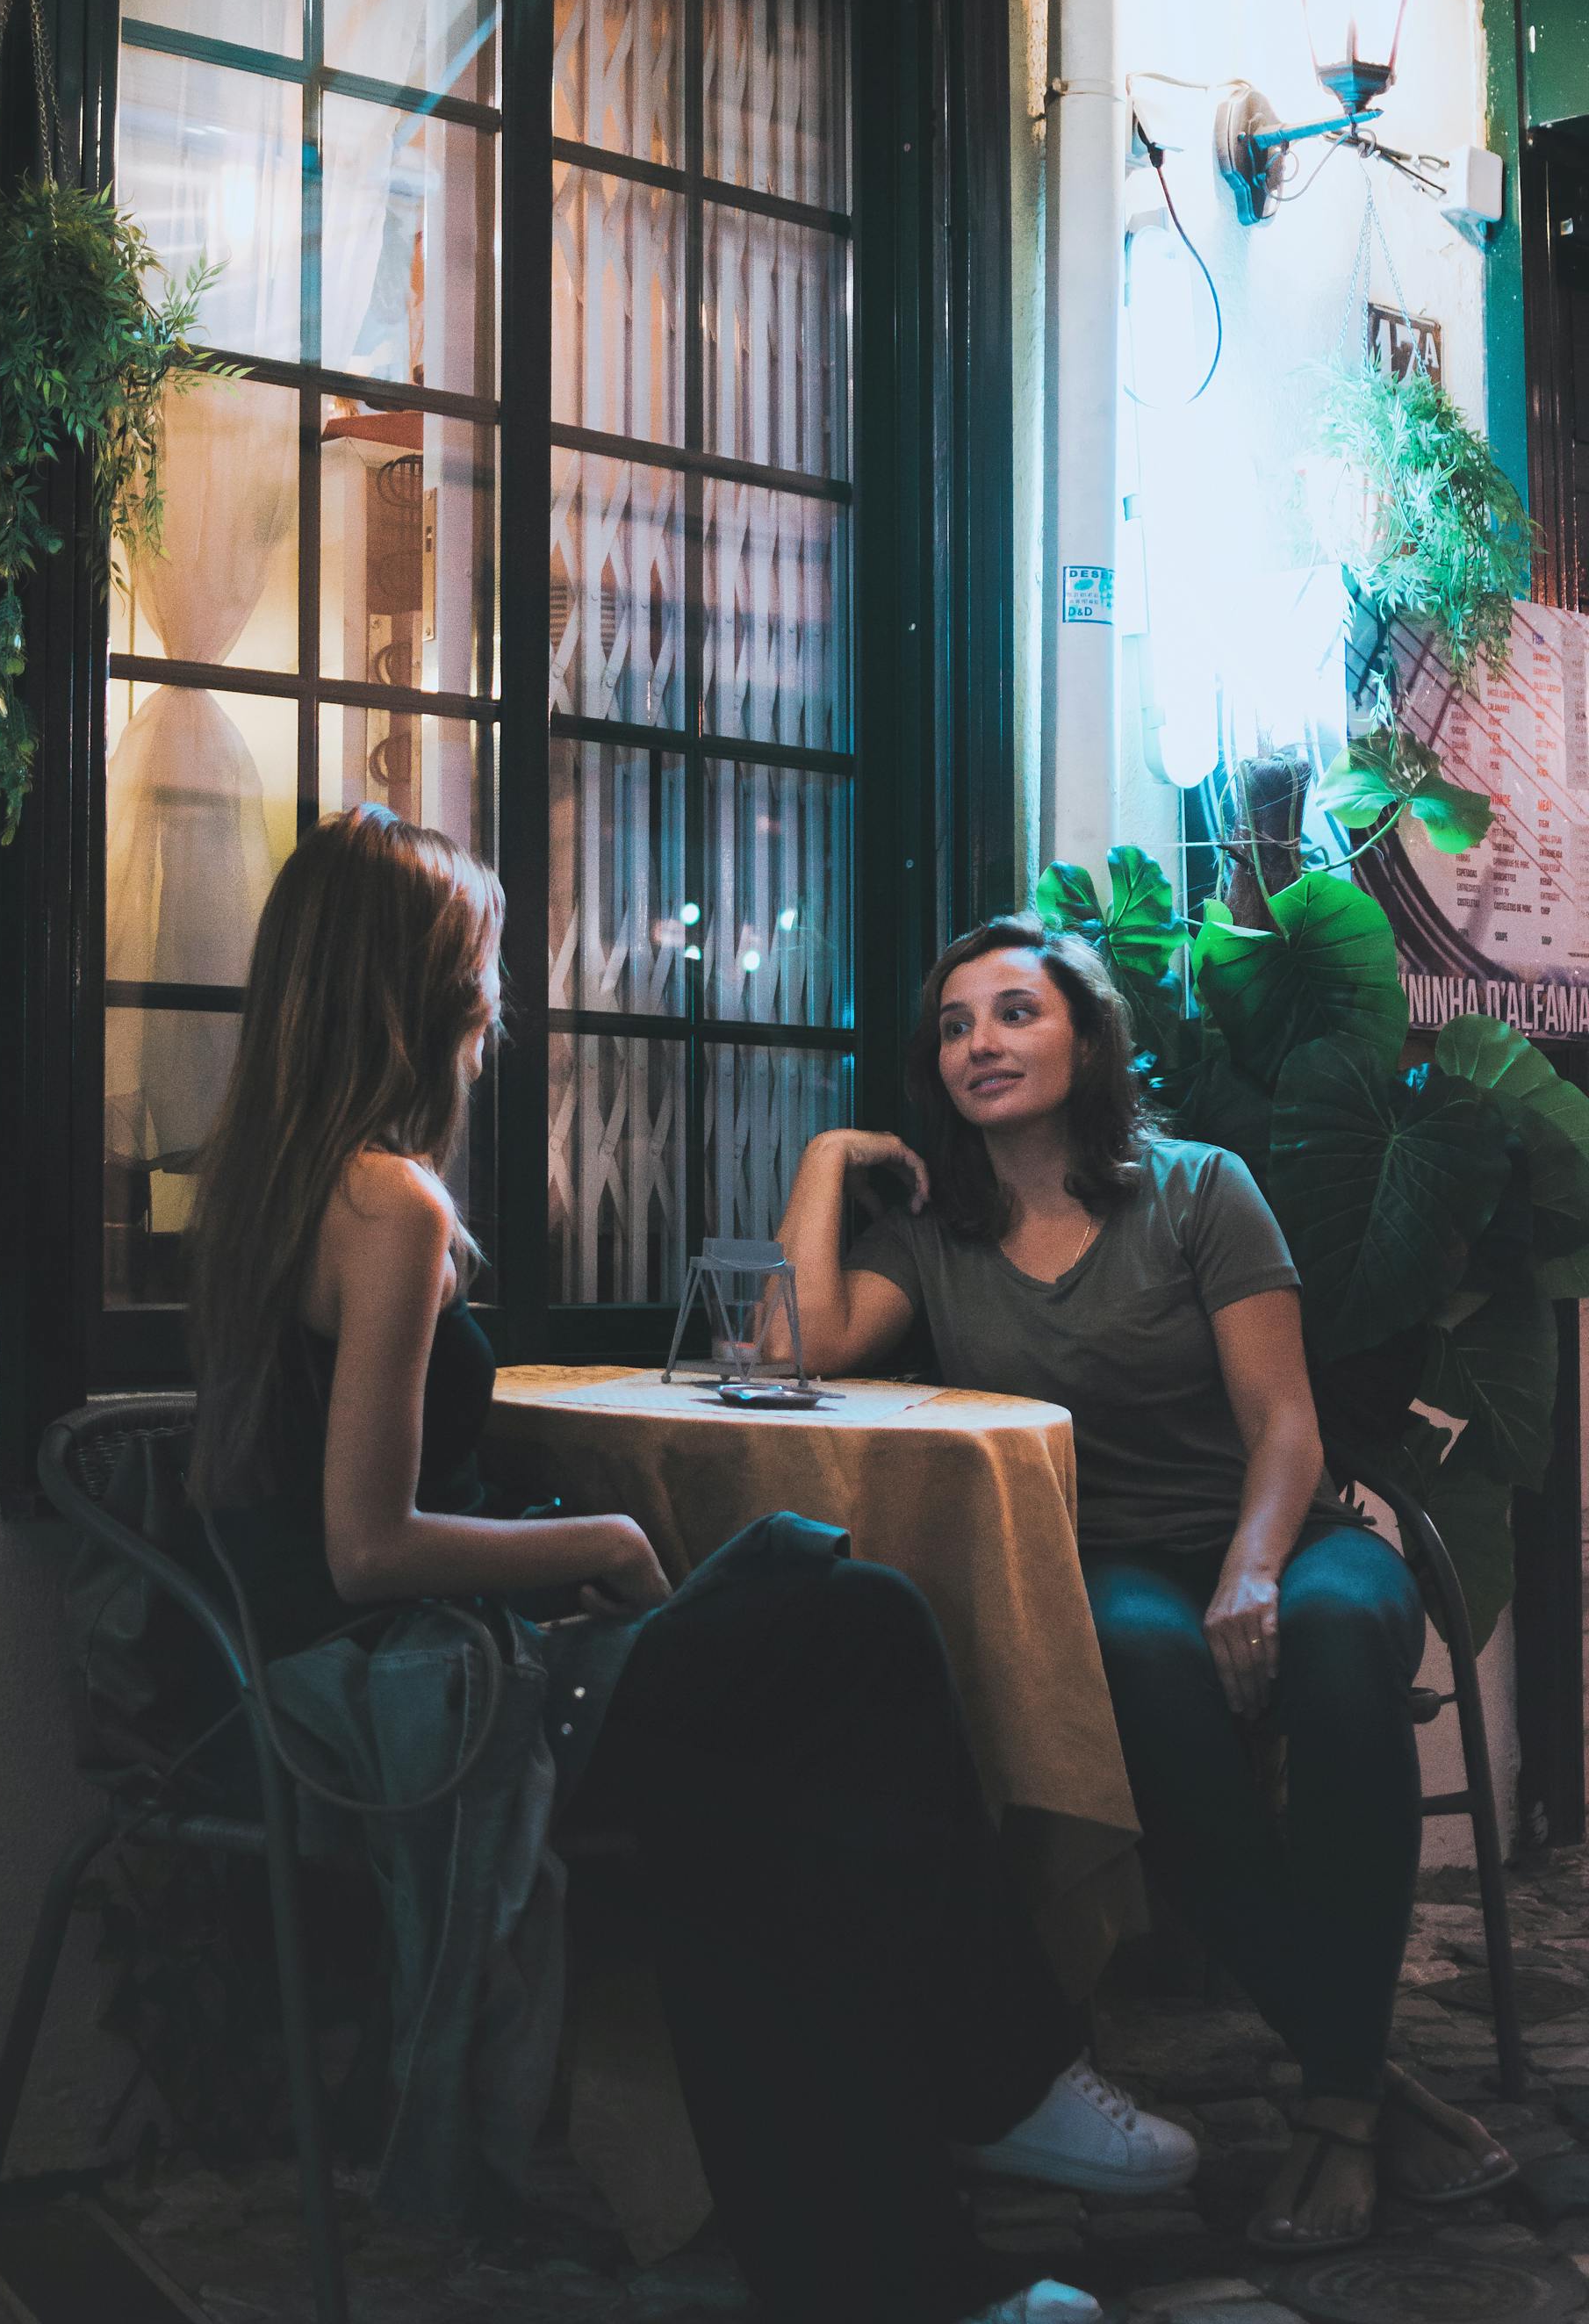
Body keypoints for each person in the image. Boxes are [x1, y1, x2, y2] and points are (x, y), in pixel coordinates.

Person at [183, 808, 1185, 2324]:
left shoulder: (276, 1181)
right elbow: (366, 1545)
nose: (497, 999)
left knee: (778, 1783)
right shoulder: (391, 1202)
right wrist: (603, 1537)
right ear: (420, 986)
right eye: (482, 963)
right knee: (854, 1625)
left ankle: (897, 2260)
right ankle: (999, 2084)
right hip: (407, 1700)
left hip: (318, 1674)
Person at [777, 913, 1520, 2258]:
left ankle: (1338, 2099)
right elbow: (801, 1351)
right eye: (954, 1025)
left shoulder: (1198, 1187)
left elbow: (1285, 1425)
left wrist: (1252, 1569)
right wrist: (829, 1163)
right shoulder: (938, 1232)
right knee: (1140, 1671)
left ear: (1086, 1033)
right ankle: (1361, 2088)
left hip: (1283, 1527)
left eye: (1014, 1012)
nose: (981, 1044)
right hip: (1107, 1559)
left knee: (1349, 1637)